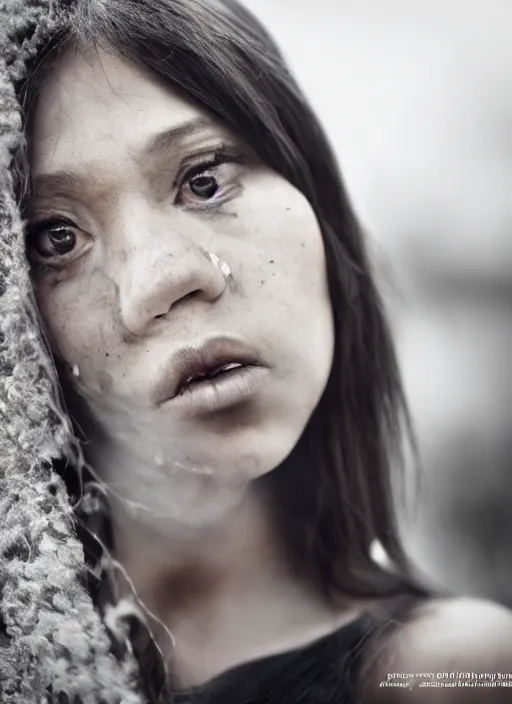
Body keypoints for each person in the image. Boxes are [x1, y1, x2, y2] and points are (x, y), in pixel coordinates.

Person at [0, 0, 511, 702]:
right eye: (54, 238)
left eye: (204, 179)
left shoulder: (452, 673)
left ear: (316, 194)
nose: (164, 280)